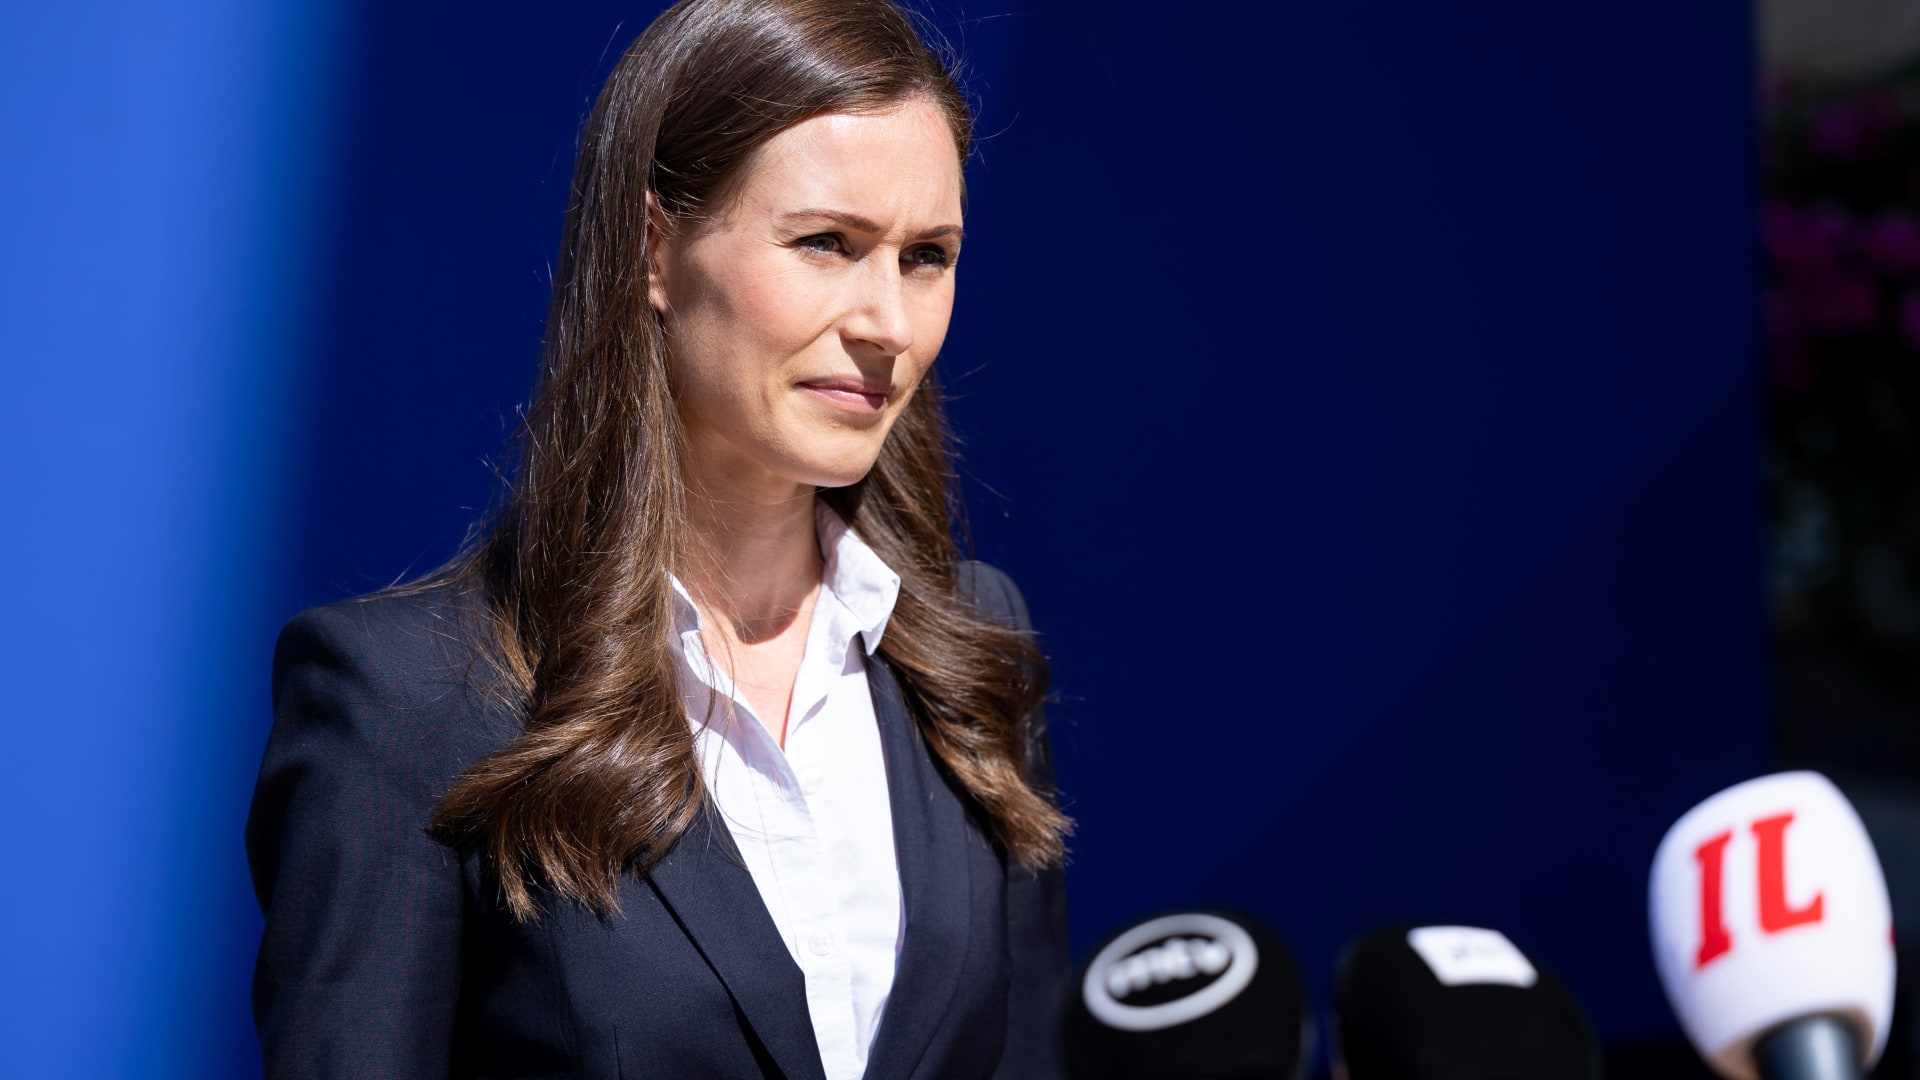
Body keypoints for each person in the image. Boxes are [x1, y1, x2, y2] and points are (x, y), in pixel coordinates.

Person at [243, 0, 1072, 1076]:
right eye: (826, 243)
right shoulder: (406, 701)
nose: (889, 323)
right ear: (652, 247)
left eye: (927, 256)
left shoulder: (969, 650)